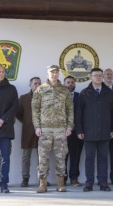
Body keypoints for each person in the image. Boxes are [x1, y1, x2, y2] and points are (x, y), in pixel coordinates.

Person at [32, 65, 73, 193]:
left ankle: (60, 184)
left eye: (56, 72)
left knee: (61, 157)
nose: (54, 74)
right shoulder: (40, 89)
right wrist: (37, 126)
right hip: (45, 128)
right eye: (52, 72)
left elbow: (70, 110)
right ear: (47, 73)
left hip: (61, 129)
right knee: (43, 157)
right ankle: (42, 184)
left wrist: (69, 127)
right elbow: (35, 109)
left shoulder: (64, 90)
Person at [76, 68, 113, 192]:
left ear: (103, 77)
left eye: (100, 75)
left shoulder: (110, 93)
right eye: (95, 75)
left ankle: (103, 183)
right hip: (88, 132)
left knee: (103, 158)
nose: (98, 78)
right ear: (91, 77)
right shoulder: (84, 93)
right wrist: (79, 130)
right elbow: (78, 114)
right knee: (89, 158)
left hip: (105, 131)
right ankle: (89, 183)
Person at [16, 76, 41, 187]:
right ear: (30, 85)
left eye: (39, 83)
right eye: (35, 83)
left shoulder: (45, 97)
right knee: (26, 156)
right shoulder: (23, 98)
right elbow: (18, 113)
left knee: (42, 156)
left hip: (42, 130)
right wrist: (27, 122)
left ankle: (42, 179)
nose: (37, 85)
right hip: (28, 130)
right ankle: (25, 179)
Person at [0, 64, 19, 193]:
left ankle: (4, 184)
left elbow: (14, 107)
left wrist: (1, 120)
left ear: (5, 73)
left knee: (5, 158)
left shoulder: (11, 89)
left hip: (5, 129)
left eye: (1, 71)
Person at [63, 76, 84, 186]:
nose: (70, 84)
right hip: (62, 131)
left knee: (75, 155)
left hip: (76, 131)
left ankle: (74, 177)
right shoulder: (59, 96)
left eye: (72, 82)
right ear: (64, 84)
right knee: (62, 156)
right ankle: (63, 178)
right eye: (68, 82)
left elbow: (83, 114)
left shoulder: (80, 96)